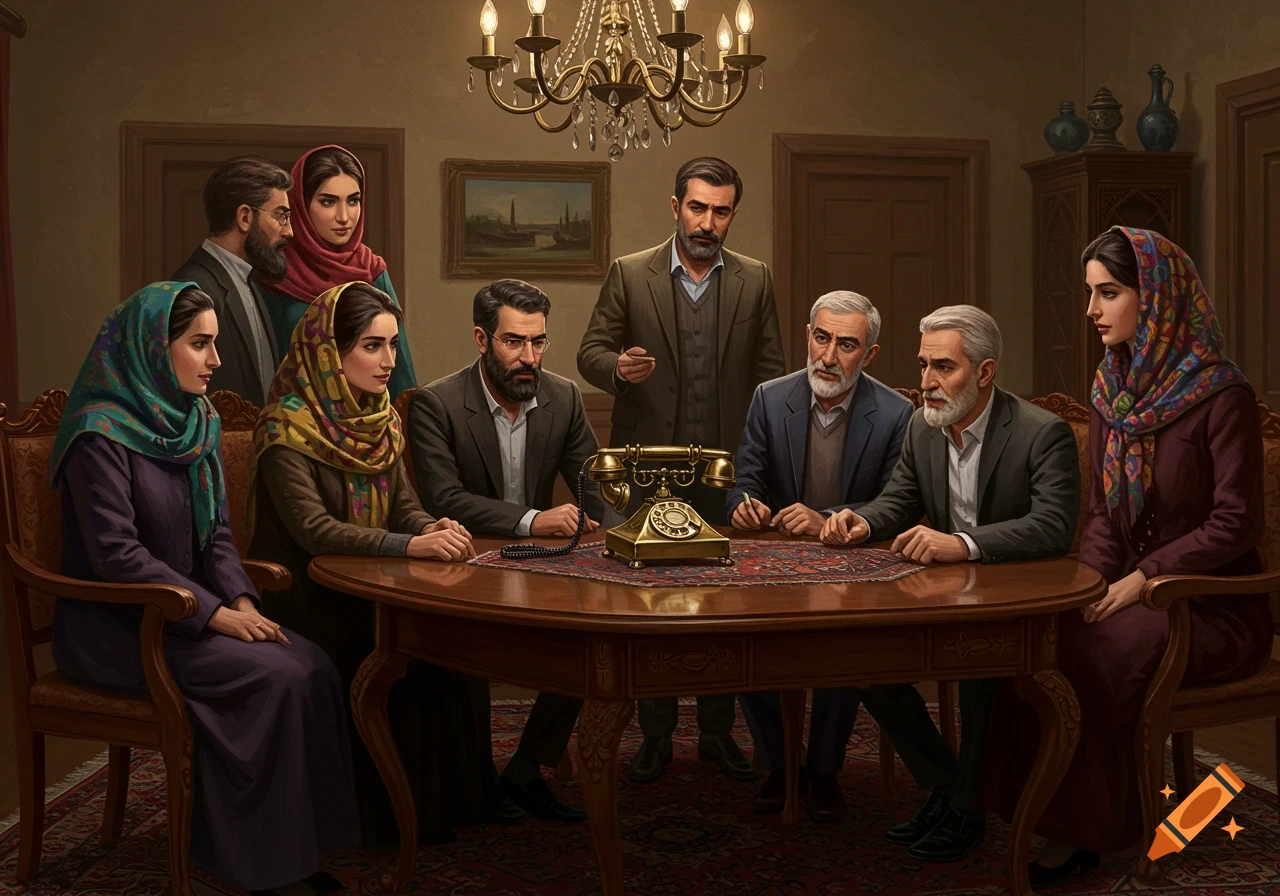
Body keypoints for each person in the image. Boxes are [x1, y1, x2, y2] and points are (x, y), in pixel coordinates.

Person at [983, 227, 1274, 886]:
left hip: (1210, 607)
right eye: (1090, 293)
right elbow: (1106, 517)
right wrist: (1089, 586)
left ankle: (1089, 832)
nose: (1092, 310)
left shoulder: (1221, 395)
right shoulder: (1113, 386)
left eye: (1107, 293)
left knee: (1106, 652)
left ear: (1158, 299)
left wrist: (1144, 580)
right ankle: (1022, 811)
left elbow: (1237, 521)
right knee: (1038, 637)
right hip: (1130, 594)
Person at [49, 282, 356, 896]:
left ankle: (300, 850)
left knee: (312, 663)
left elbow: (216, 534)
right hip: (117, 627)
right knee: (270, 678)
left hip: (188, 614)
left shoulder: (197, 422)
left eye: (214, 343)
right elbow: (116, 555)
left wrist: (240, 600)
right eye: (200, 344)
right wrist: (215, 617)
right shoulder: (98, 434)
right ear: (151, 350)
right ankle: (256, 868)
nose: (215, 360)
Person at [246, 281, 514, 847]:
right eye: (372, 346)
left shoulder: (380, 417)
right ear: (329, 351)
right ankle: (381, 825)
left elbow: (404, 505)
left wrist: (431, 527)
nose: (390, 361)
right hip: (305, 597)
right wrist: (408, 547)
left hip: (368, 586)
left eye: (393, 345)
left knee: (451, 645)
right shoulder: (285, 426)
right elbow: (313, 531)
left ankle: (451, 810)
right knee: (404, 654)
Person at [820, 304, 1080, 864]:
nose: (927, 384)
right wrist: (860, 520)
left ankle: (964, 811)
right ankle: (951, 786)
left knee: (980, 669)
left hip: (1014, 601)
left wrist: (963, 544)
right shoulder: (923, 425)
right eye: (922, 367)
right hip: (944, 596)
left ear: (984, 373)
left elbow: (1054, 526)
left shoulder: (1041, 433)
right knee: (864, 665)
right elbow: (900, 499)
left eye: (944, 368)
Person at [577, 155, 785, 784]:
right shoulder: (629, 273)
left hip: (726, 471)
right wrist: (618, 370)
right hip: (646, 470)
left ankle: (719, 734)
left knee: (723, 605)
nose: (708, 222)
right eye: (697, 208)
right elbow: (590, 352)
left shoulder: (755, 279)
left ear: (732, 216)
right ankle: (657, 736)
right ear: (675, 208)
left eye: (721, 211)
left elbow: (772, 373)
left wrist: (761, 467)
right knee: (649, 608)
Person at [408, 278, 603, 823]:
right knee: (459, 654)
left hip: (541, 569)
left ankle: (527, 766)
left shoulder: (562, 397)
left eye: (538, 342)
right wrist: (533, 519)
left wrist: (628, 538)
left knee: (595, 643)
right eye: (514, 342)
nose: (529, 357)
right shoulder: (436, 403)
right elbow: (443, 498)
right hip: (462, 565)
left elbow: (596, 484)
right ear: (481, 339)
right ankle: (470, 786)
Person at [730, 290, 912, 823]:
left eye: (847, 345)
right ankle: (781, 766)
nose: (829, 357)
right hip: (773, 567)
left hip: (853, 567)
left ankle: (825, 770)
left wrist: (826, 517)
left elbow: (896, 503)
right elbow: (745, 481)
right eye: (821, 338)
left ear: (870, 354)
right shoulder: (770, 397)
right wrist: (743, 506)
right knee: (746, 640)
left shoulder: (898, 413)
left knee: (842, 645)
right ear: (808, 335)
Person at [257, 144, 417, 396]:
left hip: (369, 421)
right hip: (293, 419)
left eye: (353, 200)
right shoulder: (275, 272)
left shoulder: (370, 269)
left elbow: (400, 372)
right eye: (328, 202)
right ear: (301, 204)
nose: (344, 217)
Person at [172, 156, 293, 407]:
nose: (288, 231)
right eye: (281, 216)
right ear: (245, 218)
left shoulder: (251, 282)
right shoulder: (194, 288)